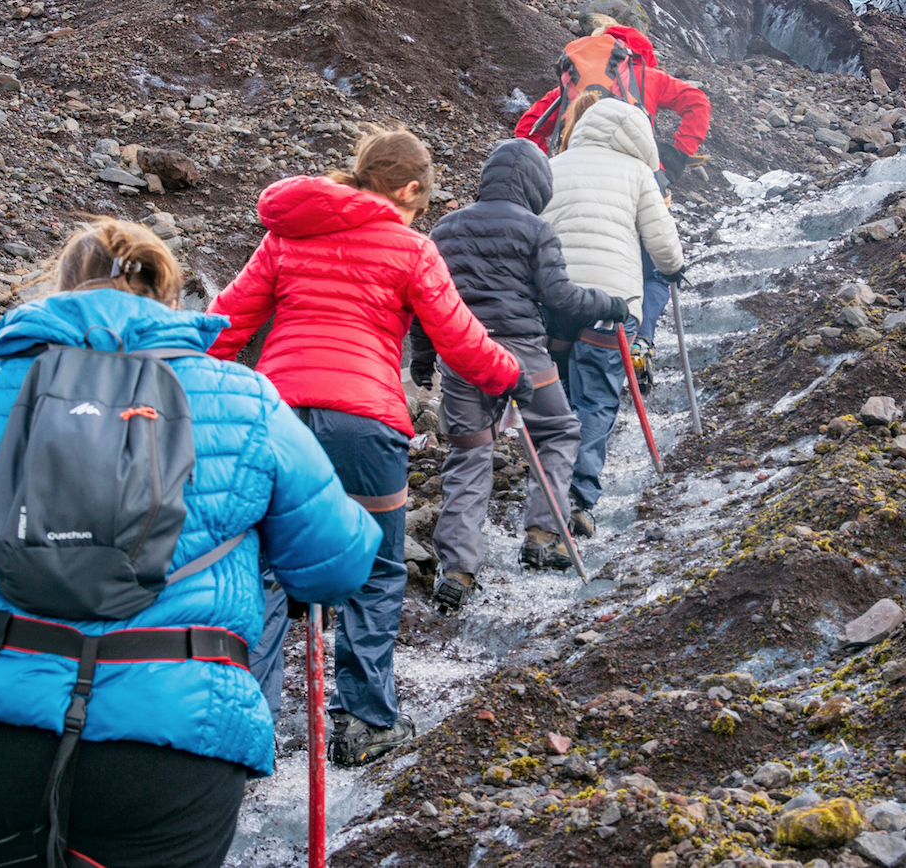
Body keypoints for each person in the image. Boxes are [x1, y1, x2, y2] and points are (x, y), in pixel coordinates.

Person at [0, 219, 381, 868]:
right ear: (169, 299)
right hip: (174, 745)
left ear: (61, 288)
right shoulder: (246, 400)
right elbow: (335, 565)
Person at [207, 127, 525, 767]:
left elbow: (225, 321)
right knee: (376, 569)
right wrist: (508, 374)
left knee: (262, 569)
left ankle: (247, 728)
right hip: (365, 424)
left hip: (278, 418)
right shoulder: (411, 248)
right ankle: (364, 722)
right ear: (407, 190)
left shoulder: (287, 235)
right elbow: (459, 339)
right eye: (421, 204)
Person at [411, 139, 628, 611]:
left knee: (469, 455)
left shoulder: (445, 228)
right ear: (537, 185)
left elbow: (426, 298)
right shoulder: (536, 229)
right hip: (524, 355)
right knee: (559, 431)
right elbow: (561, 297)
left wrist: (422, 358)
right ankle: (541, 536)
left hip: (463, 356)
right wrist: (609, 304)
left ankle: (458, 572)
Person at [540, 95, 685, 534]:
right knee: (598, 398)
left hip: (558, 299)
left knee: (562, 394)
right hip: (612, 305)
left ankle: (548, 489)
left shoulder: (553, 166)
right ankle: (578, 497)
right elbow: (661, 241)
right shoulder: (637, 172)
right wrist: (673, 269)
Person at [514, 22, 707, 352]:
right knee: (654, 273)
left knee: (571, 262)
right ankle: (639, 341)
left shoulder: (570, 84)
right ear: (633, 53)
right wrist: (676, 156)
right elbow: (697, 101)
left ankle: (565, 346)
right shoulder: (645, 76)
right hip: (639, 185)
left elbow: (527, 130)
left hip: (572, 187)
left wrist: (548, 172)